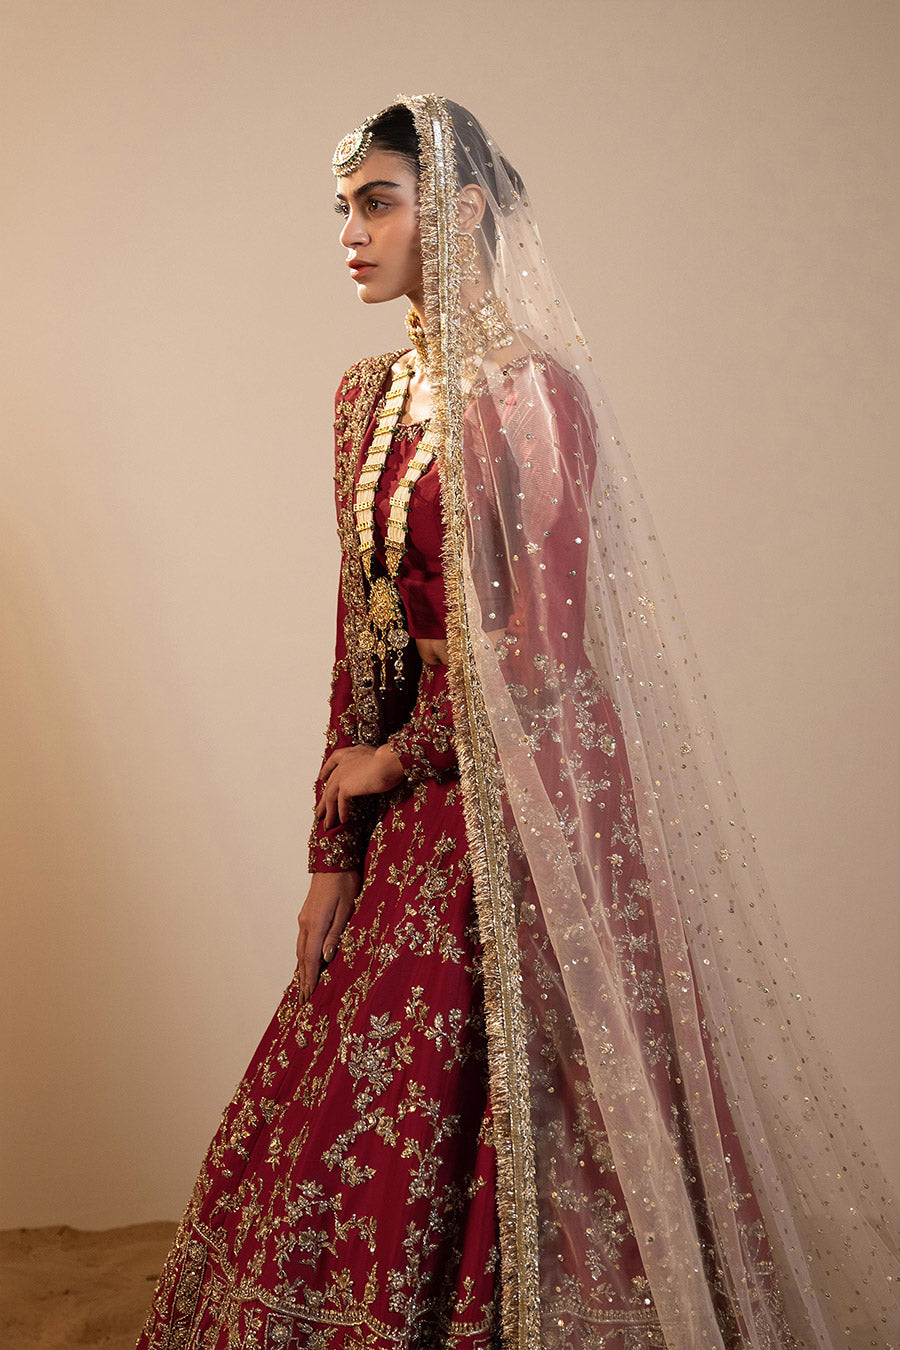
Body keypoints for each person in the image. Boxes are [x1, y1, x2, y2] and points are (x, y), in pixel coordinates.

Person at [137, 96, 898, 1350]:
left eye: (378, 201)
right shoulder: (360, 401)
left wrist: (396, 761)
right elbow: (363, 636)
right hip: (419, 795)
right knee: (361, 1086)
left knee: (563, 1099)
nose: (352, 232)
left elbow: (539, 665)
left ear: (463, 209)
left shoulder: (532, 399)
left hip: (539, 791)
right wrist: (330, 846)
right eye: (345, 208)